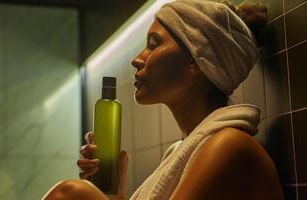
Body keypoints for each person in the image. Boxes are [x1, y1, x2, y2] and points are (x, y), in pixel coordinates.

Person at [42, 0, 284, 199]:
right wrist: (112, 193)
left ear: (198, 60)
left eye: (152, 45)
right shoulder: (183, 151)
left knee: (69, 194)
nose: (137, 59)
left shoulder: (229, 146)